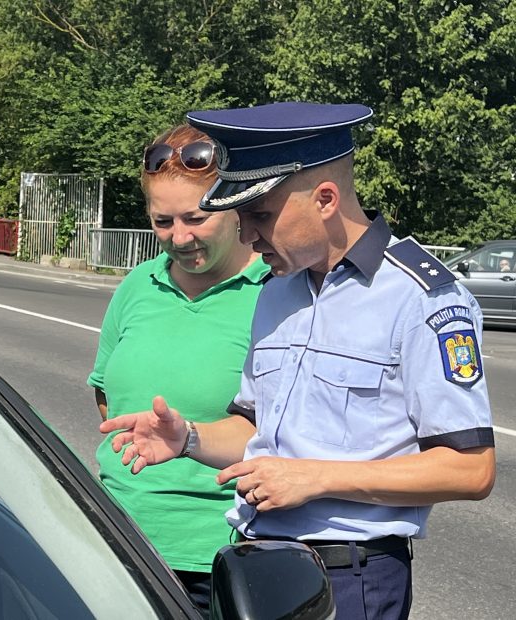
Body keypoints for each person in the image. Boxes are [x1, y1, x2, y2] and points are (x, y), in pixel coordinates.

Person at [101, 102, 495, 620]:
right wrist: (189, 439)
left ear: (325, 199)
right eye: (241, 217)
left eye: (260, 215)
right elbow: (256, 429)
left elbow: (471, 468)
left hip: (348, 578)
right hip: (257, 565)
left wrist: (317, 478)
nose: (246, 235)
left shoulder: (422, 298)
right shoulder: (277, 290)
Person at [88, 124, 268, 610]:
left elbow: (289, 432)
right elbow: (106, 394)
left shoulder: (275, 292)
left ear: (234, 207)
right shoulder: (138, 284)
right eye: (162, 221)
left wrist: (188, 439)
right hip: (115, 538)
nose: (180, 237)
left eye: (195, 218)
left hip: (217, 556)